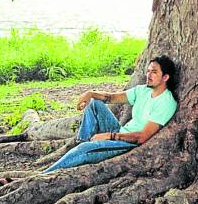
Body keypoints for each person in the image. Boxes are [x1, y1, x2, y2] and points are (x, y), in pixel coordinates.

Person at [42, 55, 179, 172]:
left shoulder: (166, 102)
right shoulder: (143, 90)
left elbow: (142, 137)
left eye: (154, 72)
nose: (148, 75)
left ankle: (45, 174)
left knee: (85, 149)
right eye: (148, 71)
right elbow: (112, 97)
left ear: (165, 77)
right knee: (94, 103)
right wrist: (90, 93)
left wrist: (110, 136)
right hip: (120, 131)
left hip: (128, 144)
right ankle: (82, 143)